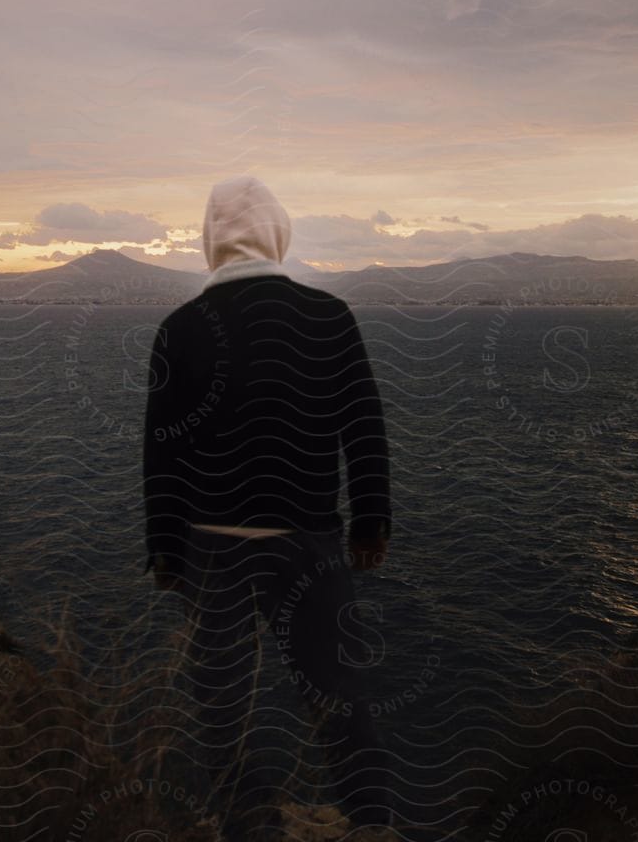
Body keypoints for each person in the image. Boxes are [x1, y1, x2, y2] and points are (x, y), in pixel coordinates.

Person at [142, 175, 394, 838]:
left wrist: (165, 551)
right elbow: (364, 427)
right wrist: (371, 523)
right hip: (307, 538)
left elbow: (161, 453)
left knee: (223, 710)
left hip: (211, 542)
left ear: (211, 242)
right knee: (338, 693)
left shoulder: (179, 328)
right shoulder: (328, 316)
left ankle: (248, 827)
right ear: (277, 234)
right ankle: (372, 825)